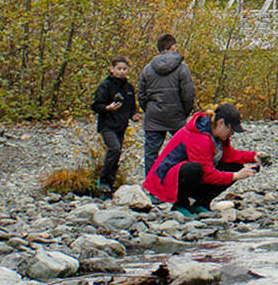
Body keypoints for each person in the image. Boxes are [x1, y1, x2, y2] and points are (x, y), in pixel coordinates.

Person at [142, 103, 259, 216]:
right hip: (164, 181)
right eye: (231, 130)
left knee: (235, 165)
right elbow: (207, 174)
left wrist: (254, 157)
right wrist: (236, 176)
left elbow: (228, 156)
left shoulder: (218, 135)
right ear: (221, 123)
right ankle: (180, 204)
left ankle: (201, 203)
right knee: (194, 168)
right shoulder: (199, 136)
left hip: (184, 177)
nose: (232, 134)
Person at [137, 33, 196, 174]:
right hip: (176, 115)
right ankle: (179, 182)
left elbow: (141, 94)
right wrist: (184, 112)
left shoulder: (147, 68)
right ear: (173, 47)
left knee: (151, 153)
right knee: (184, 150)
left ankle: (151, 186)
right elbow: (188, 94)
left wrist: (148, 109)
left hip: (153, 116)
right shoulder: (182, 68)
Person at [89, 55, 139, 192]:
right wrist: (107, 108)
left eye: (124, 69)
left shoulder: (129, 88)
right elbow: (95, 106)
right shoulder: (105, 85)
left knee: (117, 154)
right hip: (107, 125)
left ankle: (110, 183)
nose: (121, 71)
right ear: (112, 69)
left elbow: (131, 106)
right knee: (114, 148)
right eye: (119, 69)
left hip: (121, 126)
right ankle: (103, 181)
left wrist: (134, 115)